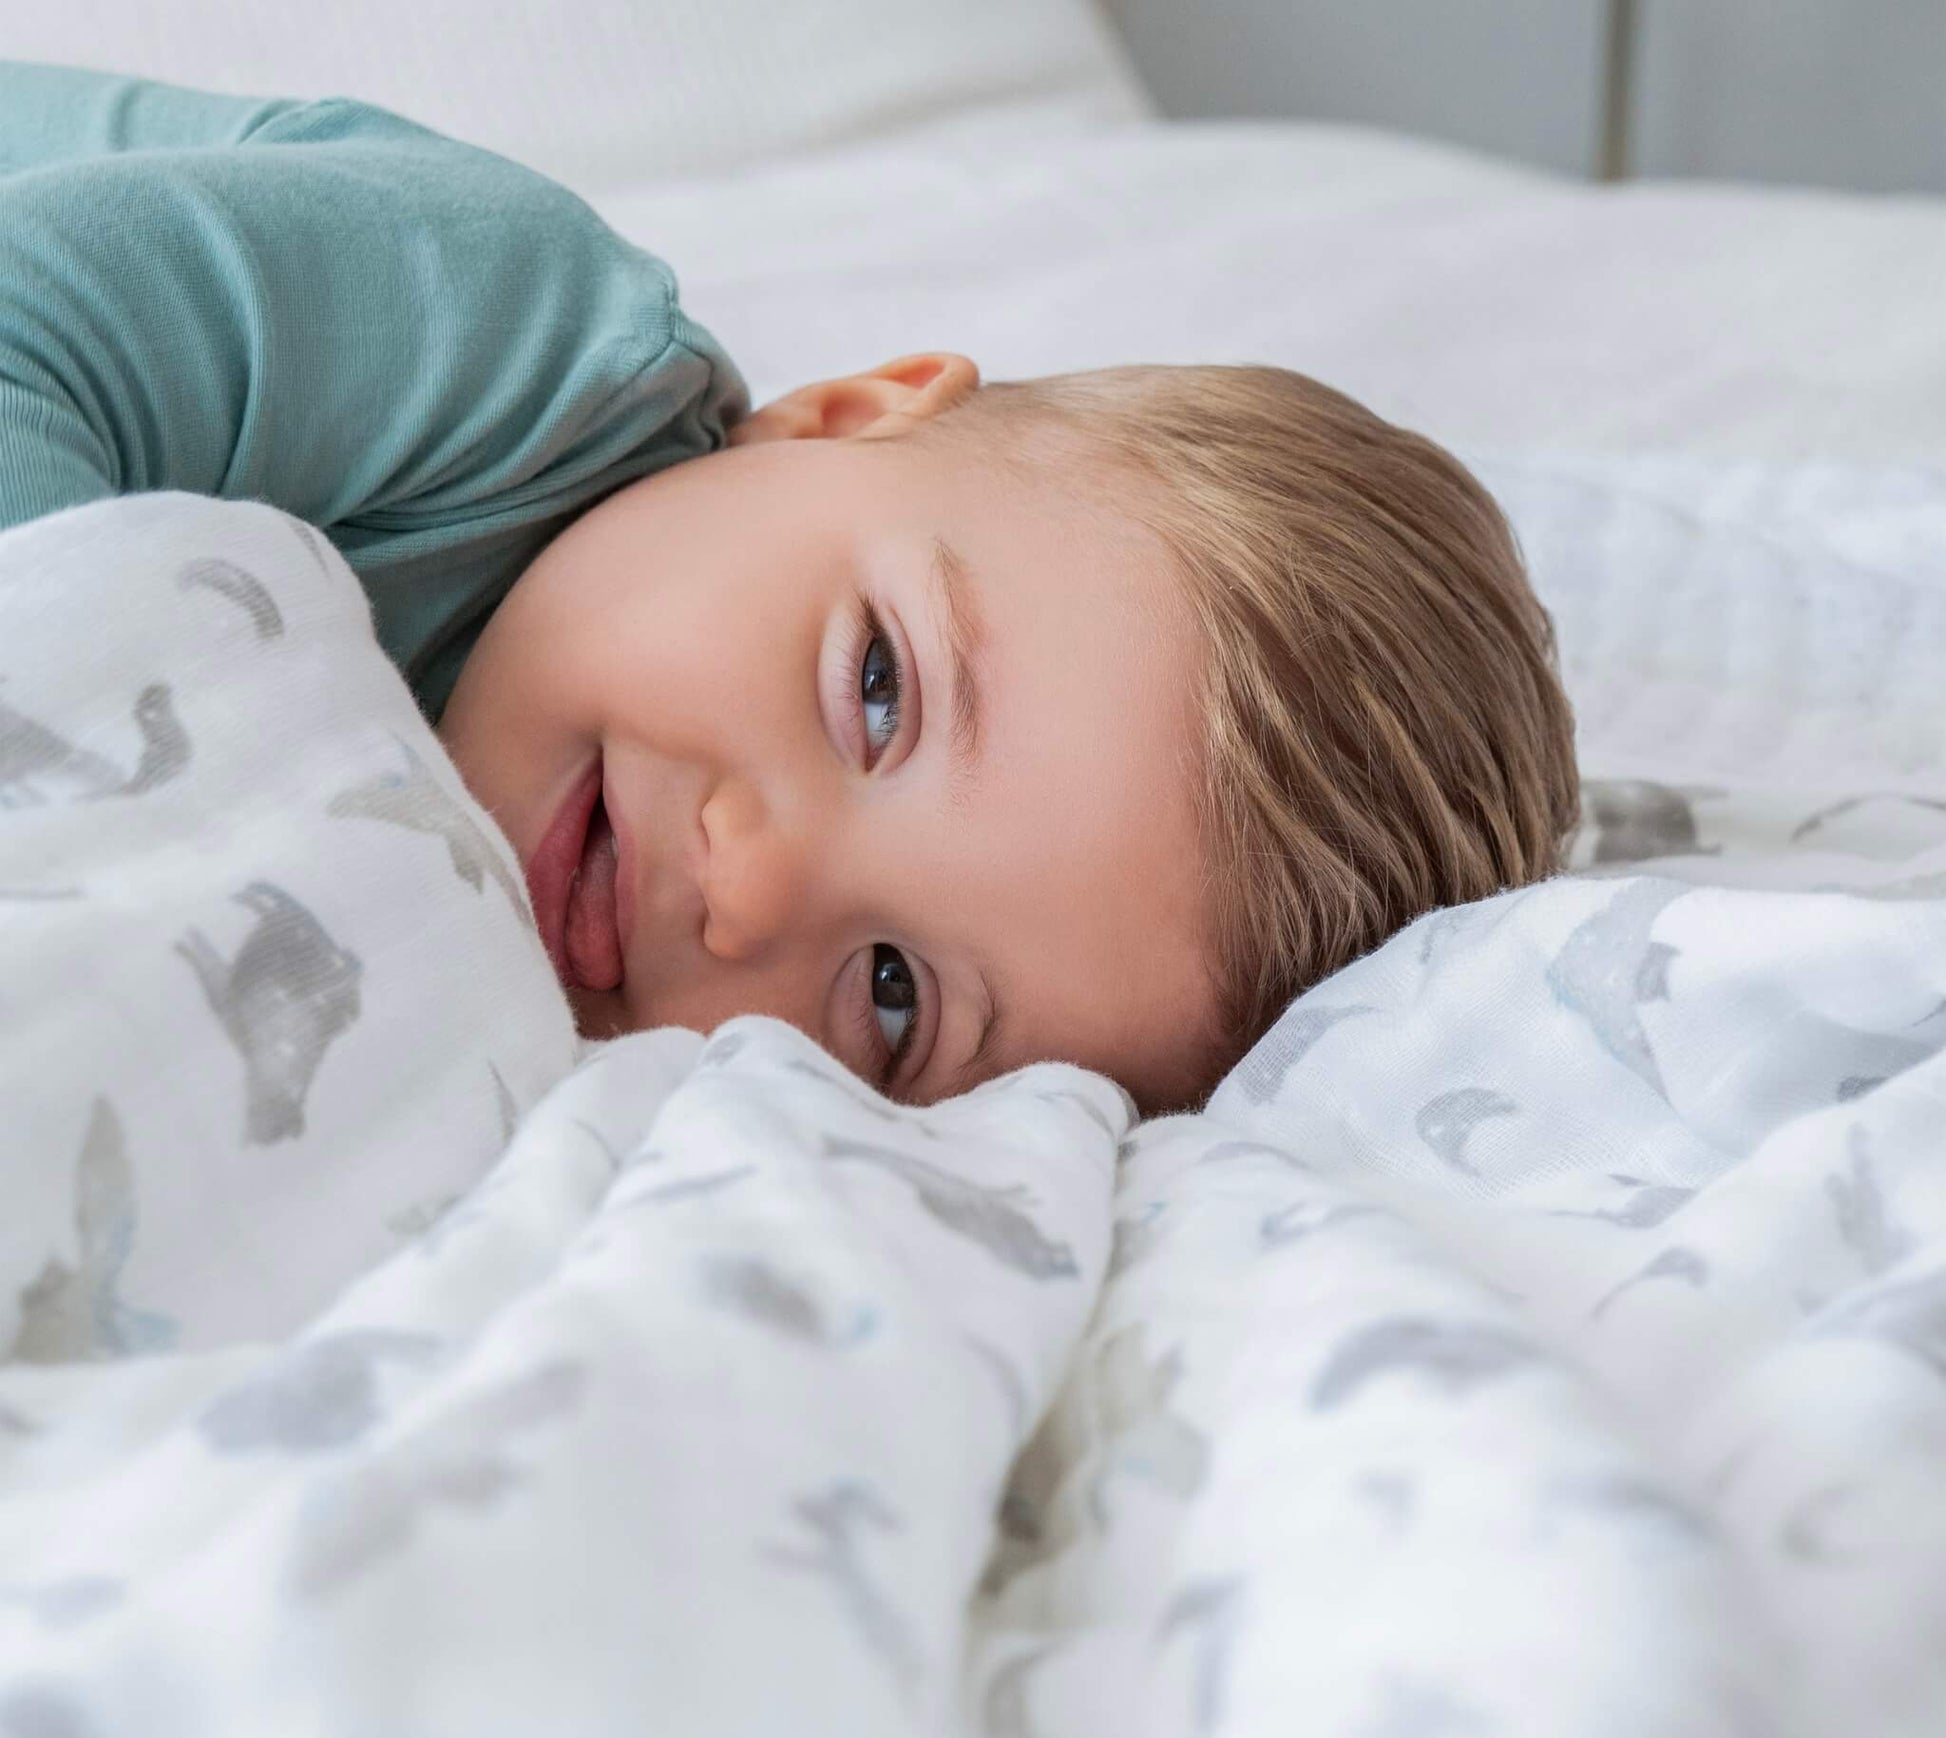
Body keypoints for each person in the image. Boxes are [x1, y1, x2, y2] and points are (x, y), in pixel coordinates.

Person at [0, 62, 1578, 1115]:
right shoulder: (515, 333)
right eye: (877, 687)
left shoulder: (484, 1025)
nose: (747, 892)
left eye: (890, 1001)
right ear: (836, 416)